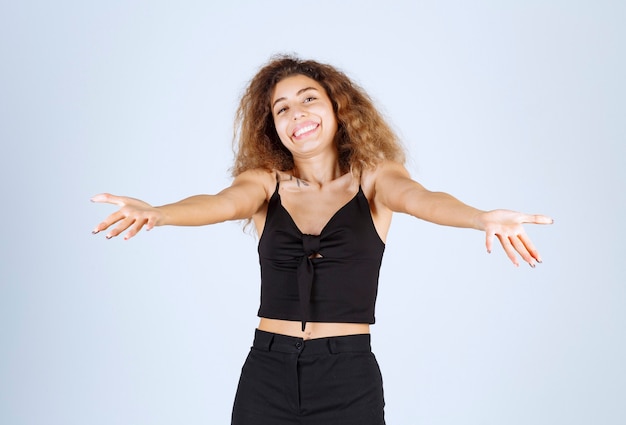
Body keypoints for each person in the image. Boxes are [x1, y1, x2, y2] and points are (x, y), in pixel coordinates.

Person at [91, 55, 553, 425]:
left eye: (309, 99)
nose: (298, 114)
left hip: (347, 376)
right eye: (282, 108)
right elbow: (220, 203)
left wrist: (479, 218)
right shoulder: (264, 182)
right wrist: (159, 213)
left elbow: (421, 199)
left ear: (337, 108)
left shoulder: (375, 178)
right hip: (266, 373)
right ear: (272, 125)